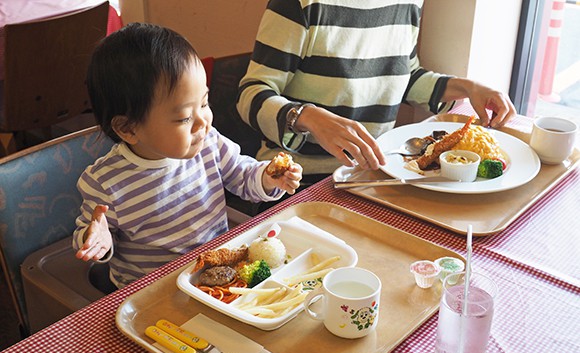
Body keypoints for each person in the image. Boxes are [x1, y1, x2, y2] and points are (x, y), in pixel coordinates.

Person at [73, 23, 303, 288]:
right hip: (152, 291)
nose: (202, 122)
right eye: (184, 117)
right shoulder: (105, 183)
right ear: (128, 128)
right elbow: (88, 234)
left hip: (216, 275)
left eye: (204, 103)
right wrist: (96, 240)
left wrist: (268, 179)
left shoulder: (208, 143)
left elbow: (242, 174)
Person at [236, 0, 516, 177]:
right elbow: (251, 92)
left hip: (376, 173)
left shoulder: (410, 3)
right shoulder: (300, 4)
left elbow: (403, 75)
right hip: (297, 179)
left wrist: (468, 88)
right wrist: (308, 117)